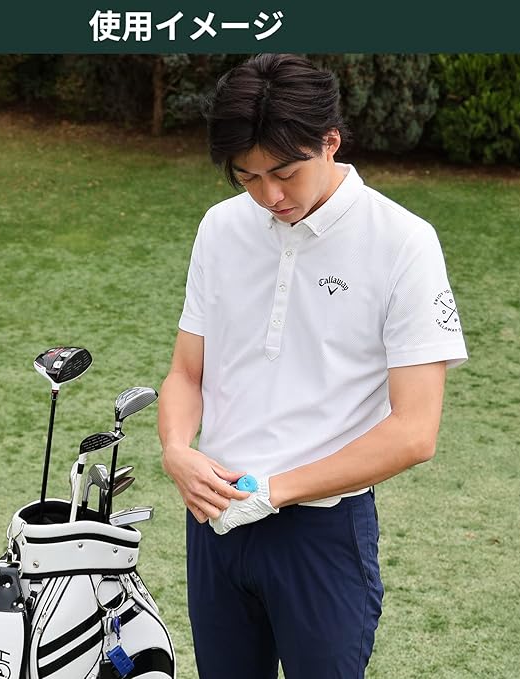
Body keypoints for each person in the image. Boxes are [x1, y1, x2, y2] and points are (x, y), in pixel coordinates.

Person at [157, 53, 468, 679]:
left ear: (331, 142)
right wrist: (176, 450)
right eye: (246, 176)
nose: (269, 196)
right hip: (214, 524)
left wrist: (274, 492)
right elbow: (188, 372)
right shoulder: (220, 228)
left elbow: (415, 431)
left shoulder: (403, 242)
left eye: (285, 173)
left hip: (321, 534)